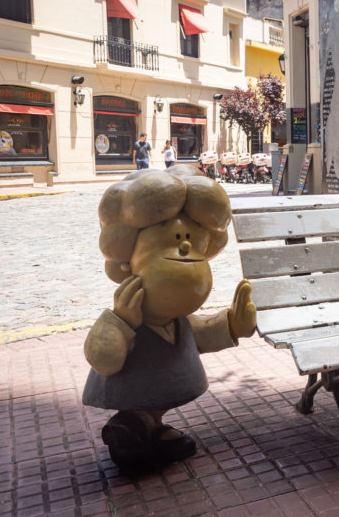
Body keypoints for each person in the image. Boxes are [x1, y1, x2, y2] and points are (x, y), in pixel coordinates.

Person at [83, 165, 257, 468]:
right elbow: (103, 357)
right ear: (128, 260)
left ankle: (151, 426)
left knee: (150, 414)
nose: (185, 246)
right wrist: (122, 322)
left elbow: (199, 333)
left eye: (190, 239)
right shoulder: (127, 313)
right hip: (129, 388)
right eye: (175, 238)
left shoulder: (178, 320)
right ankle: (130, 430)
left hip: (158, 393)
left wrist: (231, 325)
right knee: (136, 419)